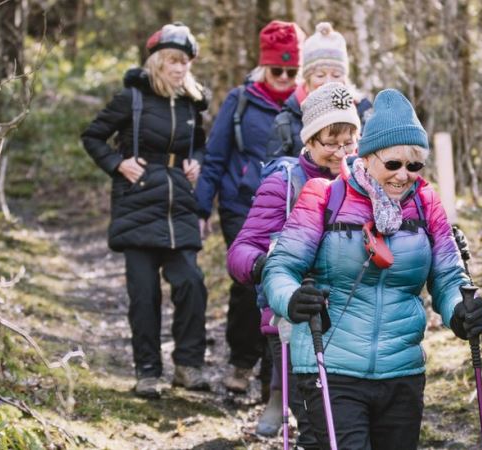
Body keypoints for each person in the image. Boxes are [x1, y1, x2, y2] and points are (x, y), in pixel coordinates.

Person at [262, 89, 482, 450]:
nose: (404, 175)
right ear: (366, 157)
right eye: (393, 164)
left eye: (414, 165)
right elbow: (280, 268)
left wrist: (460, 312)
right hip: (331, 366)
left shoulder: (426, 203)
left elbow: (447, 276)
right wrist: (291, 299)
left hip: (402, 371)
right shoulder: (323, 197)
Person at [81, 23, 210, 398]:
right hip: (136, 204)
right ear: (156, 61)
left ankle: (188, 366)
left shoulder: (190, 104)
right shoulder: (131, 99)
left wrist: (194, 162)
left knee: (190, 282)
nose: (179, 67)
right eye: (172, 60)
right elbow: (92, 136)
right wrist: (117, 164)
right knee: (144, 294)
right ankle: (148, 371)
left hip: (177, 207)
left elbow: (198, 144)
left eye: (184, 61)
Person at [227, 81, 360, 443]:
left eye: (350, 142)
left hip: (353, 323)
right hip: (293, 320)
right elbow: (241, 251)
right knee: (317, 425)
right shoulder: (285, 182)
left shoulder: (368, 183)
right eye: (331, 142)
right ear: (310, 140)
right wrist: (269, 268)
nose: (341, 152)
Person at [193, 20, 304, 397]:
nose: (285, 78)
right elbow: (215, 156)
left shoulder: (306, 104)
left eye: (292, 71)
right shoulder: (240, 100)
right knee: (249, 283)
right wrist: (201, 207)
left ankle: (273, 380)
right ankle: (241, 361)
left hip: (292, 209)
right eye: (278, 70)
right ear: (264, 67)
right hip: (241, 204)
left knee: (283, 284)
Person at [267, 22, 372, 157]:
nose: (328, 82)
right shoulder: (287, 120)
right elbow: (275, 169)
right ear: (307, 78)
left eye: (336, 75)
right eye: (320, 75)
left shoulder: (364, 113)